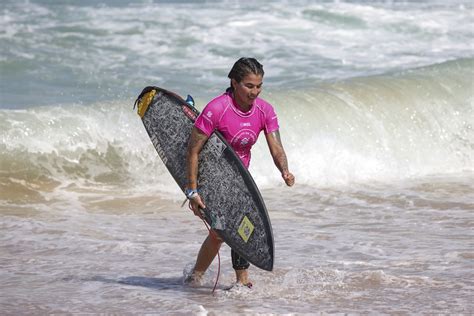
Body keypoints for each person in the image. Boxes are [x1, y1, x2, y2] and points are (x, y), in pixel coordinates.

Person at [184, 57, 295, 287]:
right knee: (225, 230)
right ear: (234, 83)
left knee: (229, 231)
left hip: (240, 180)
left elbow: (276, 147)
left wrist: (284, 170)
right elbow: (193, 151)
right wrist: (192, 191)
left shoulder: (265, 110)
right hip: (212, 178)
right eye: (249, 85)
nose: (255, 92)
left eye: (259, 86)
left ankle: (206, 278)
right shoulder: (217, 109)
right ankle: (226, 280)